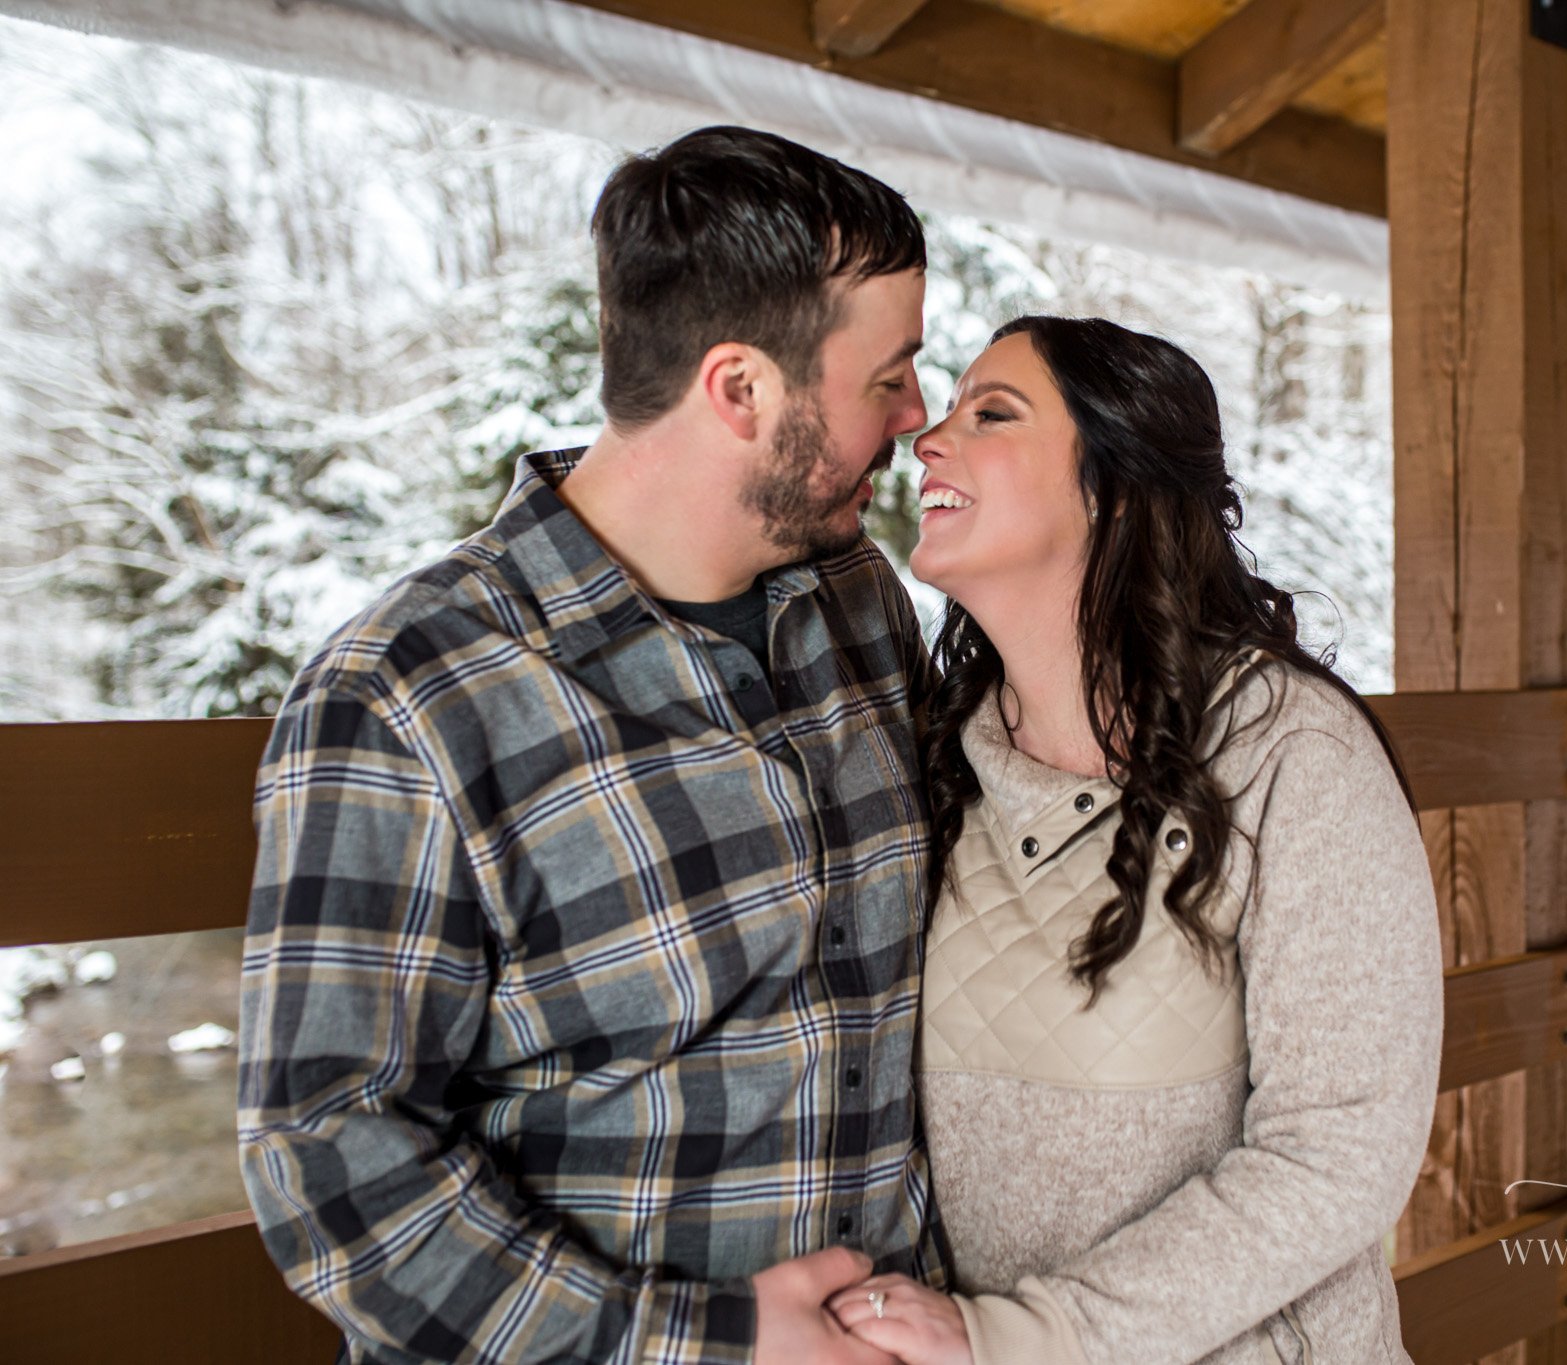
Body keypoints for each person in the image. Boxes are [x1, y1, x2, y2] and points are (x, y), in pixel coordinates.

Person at [237, 125, 949, 1365]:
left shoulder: (860, 605)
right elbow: (331, 1161)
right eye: (888, 377)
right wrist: (696, 1344)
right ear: (741, 389)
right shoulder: (408, 694)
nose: (917, 414)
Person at [824, 316, 1445, 1364]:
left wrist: (1026, 1339)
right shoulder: (931, 760)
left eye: (991, 414)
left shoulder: (1291, 758)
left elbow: (1340, 1152)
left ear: (1111, 487)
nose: (928, 435)